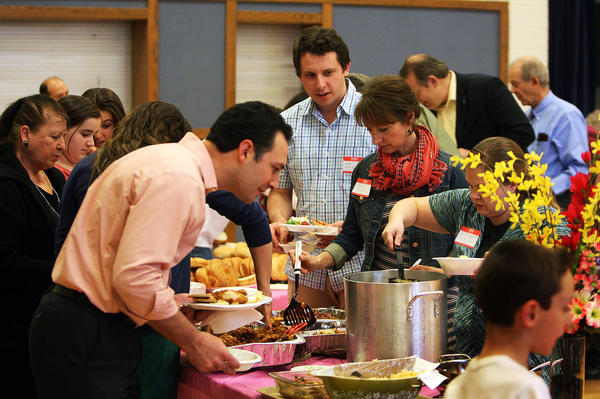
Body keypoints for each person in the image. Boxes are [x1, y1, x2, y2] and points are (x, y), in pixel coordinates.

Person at [29, 101, 292, 397]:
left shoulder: (171, 162)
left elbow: (126, 264)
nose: (273, 183)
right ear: (245, 151)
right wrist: (193, 341)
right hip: (86, 328)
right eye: (274, 168)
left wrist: (170, 302)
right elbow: (135, 279)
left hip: (91, 324)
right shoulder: (178, 176)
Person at [382, 136, 567, 360]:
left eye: (483, 188)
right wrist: (396, 221)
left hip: (523, 352)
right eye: (470, 185)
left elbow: (559, 290)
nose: (474, 195)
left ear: (514, 183)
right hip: (469, 346)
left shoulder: (543, 222)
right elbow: (412, 207)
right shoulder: (466, 206)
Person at [297, 74, 466, 276]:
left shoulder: (448, 170)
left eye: (384, 129)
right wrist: (318, 261)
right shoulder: (366, 171)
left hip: (436, 293)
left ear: (409, 117)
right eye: (370, 130)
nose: (376, 139)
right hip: (380, 289)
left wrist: (445, 270)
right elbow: (351, 236)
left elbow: (469, 233)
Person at [267, 26, 377, 309]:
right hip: (305, 265)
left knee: (363, 351)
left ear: (346, 68)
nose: (320, 84)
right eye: (310, 75)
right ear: (299, 76)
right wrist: (280, 222)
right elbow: (280, 191)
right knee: (307, 348)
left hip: (362, 266)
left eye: (328, 73)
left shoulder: (374, 119)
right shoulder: (286, 123)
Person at [0, 94, 68, 398]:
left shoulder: (55, 177)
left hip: (53, 313)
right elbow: (6, 262)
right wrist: (64, 271)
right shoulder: (6, 183)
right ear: (25, 134)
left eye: (63, 137)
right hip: (16, 320)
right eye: (54, 137)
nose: (61, 146)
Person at [445, 240, 573, 399]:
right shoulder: (527, 389)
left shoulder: (457, 387)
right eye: (564, 308)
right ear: (531, 314)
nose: (569, 319)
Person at [399, 54, 534, 157]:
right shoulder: (427, 110)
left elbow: (523, 133)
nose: (418, 102)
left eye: (417, 94)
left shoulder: (486, 88)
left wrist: (476, 156)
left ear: (433, 81)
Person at [508, 56, 589, 209]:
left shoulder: (566, 115)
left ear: (534, 81)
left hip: (557, 205)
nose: (512, 90)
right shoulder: (526, 117)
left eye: (515, 84)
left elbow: (580, 169)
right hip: (528, 205)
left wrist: (546, 189)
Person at [54, 95, 100, 179]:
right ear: (63, 130)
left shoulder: (90, 166)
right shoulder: (51, 174)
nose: (91, 143)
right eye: (85, 134)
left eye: (94, 136)